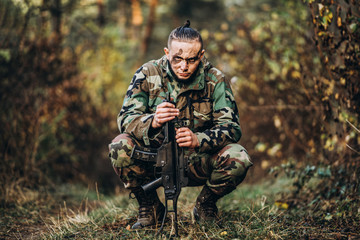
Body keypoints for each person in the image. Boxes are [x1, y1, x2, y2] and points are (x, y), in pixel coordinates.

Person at [108, 20, 252, 229]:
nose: (184, 66)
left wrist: (198, 139)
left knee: (239, 157)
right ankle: (150, 206)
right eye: (177, 59)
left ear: (201, 55)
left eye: (192, 60)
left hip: (196, 160)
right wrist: (153, 121)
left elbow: (231, 127)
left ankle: (205, 205)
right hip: (155, 158)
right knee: (119, 147)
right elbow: (125, 119)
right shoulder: (148, 74)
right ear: (167, 52)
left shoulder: (215, 79)